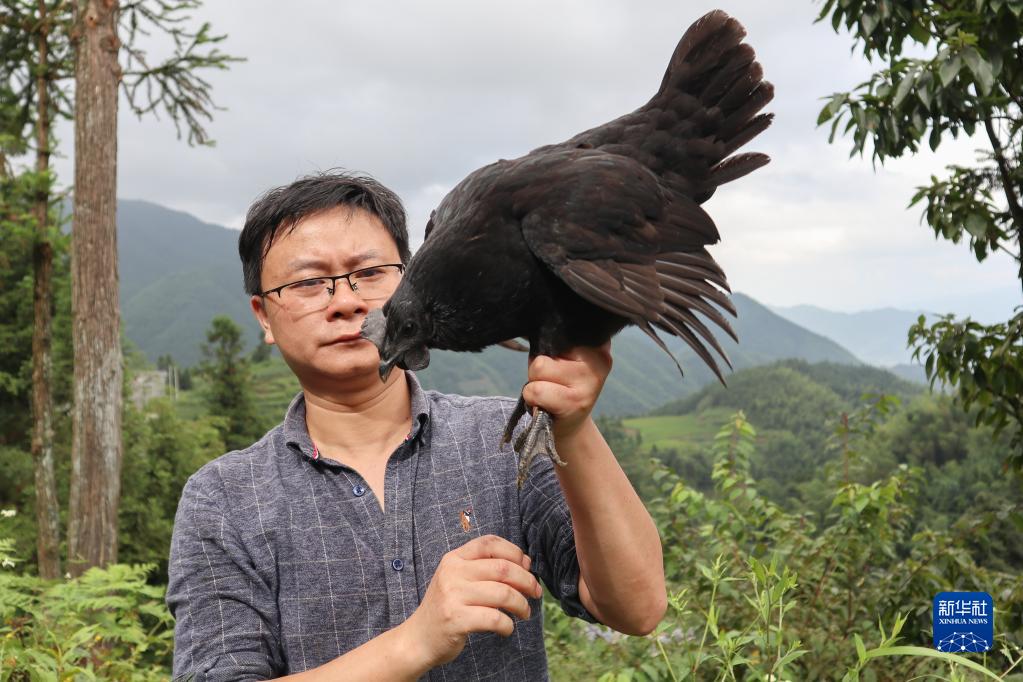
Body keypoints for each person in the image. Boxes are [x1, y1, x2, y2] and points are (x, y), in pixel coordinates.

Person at [166, 171, 666, 681]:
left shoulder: (506, 436)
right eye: (307, 282)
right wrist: (417, 640)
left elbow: (636, 606)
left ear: (411, 279)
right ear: (264, 317)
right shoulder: (224, 499)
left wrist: (572, 424)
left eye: (370, 272)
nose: (345, 301)